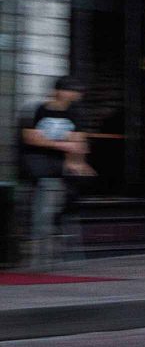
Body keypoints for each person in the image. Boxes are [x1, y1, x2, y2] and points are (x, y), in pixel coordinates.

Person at [18, 76, 92, 269]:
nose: (75, 95)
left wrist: (77, 162)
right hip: (35, 159)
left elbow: (78, 142)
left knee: (81, 183)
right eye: (71, 90)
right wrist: (64, 145)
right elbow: (32, 139)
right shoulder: (37, 109)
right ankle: (37, 233)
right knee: (43, 186)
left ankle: (58, 220)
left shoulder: (75, 112)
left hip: (59, 160)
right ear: (58, 91)